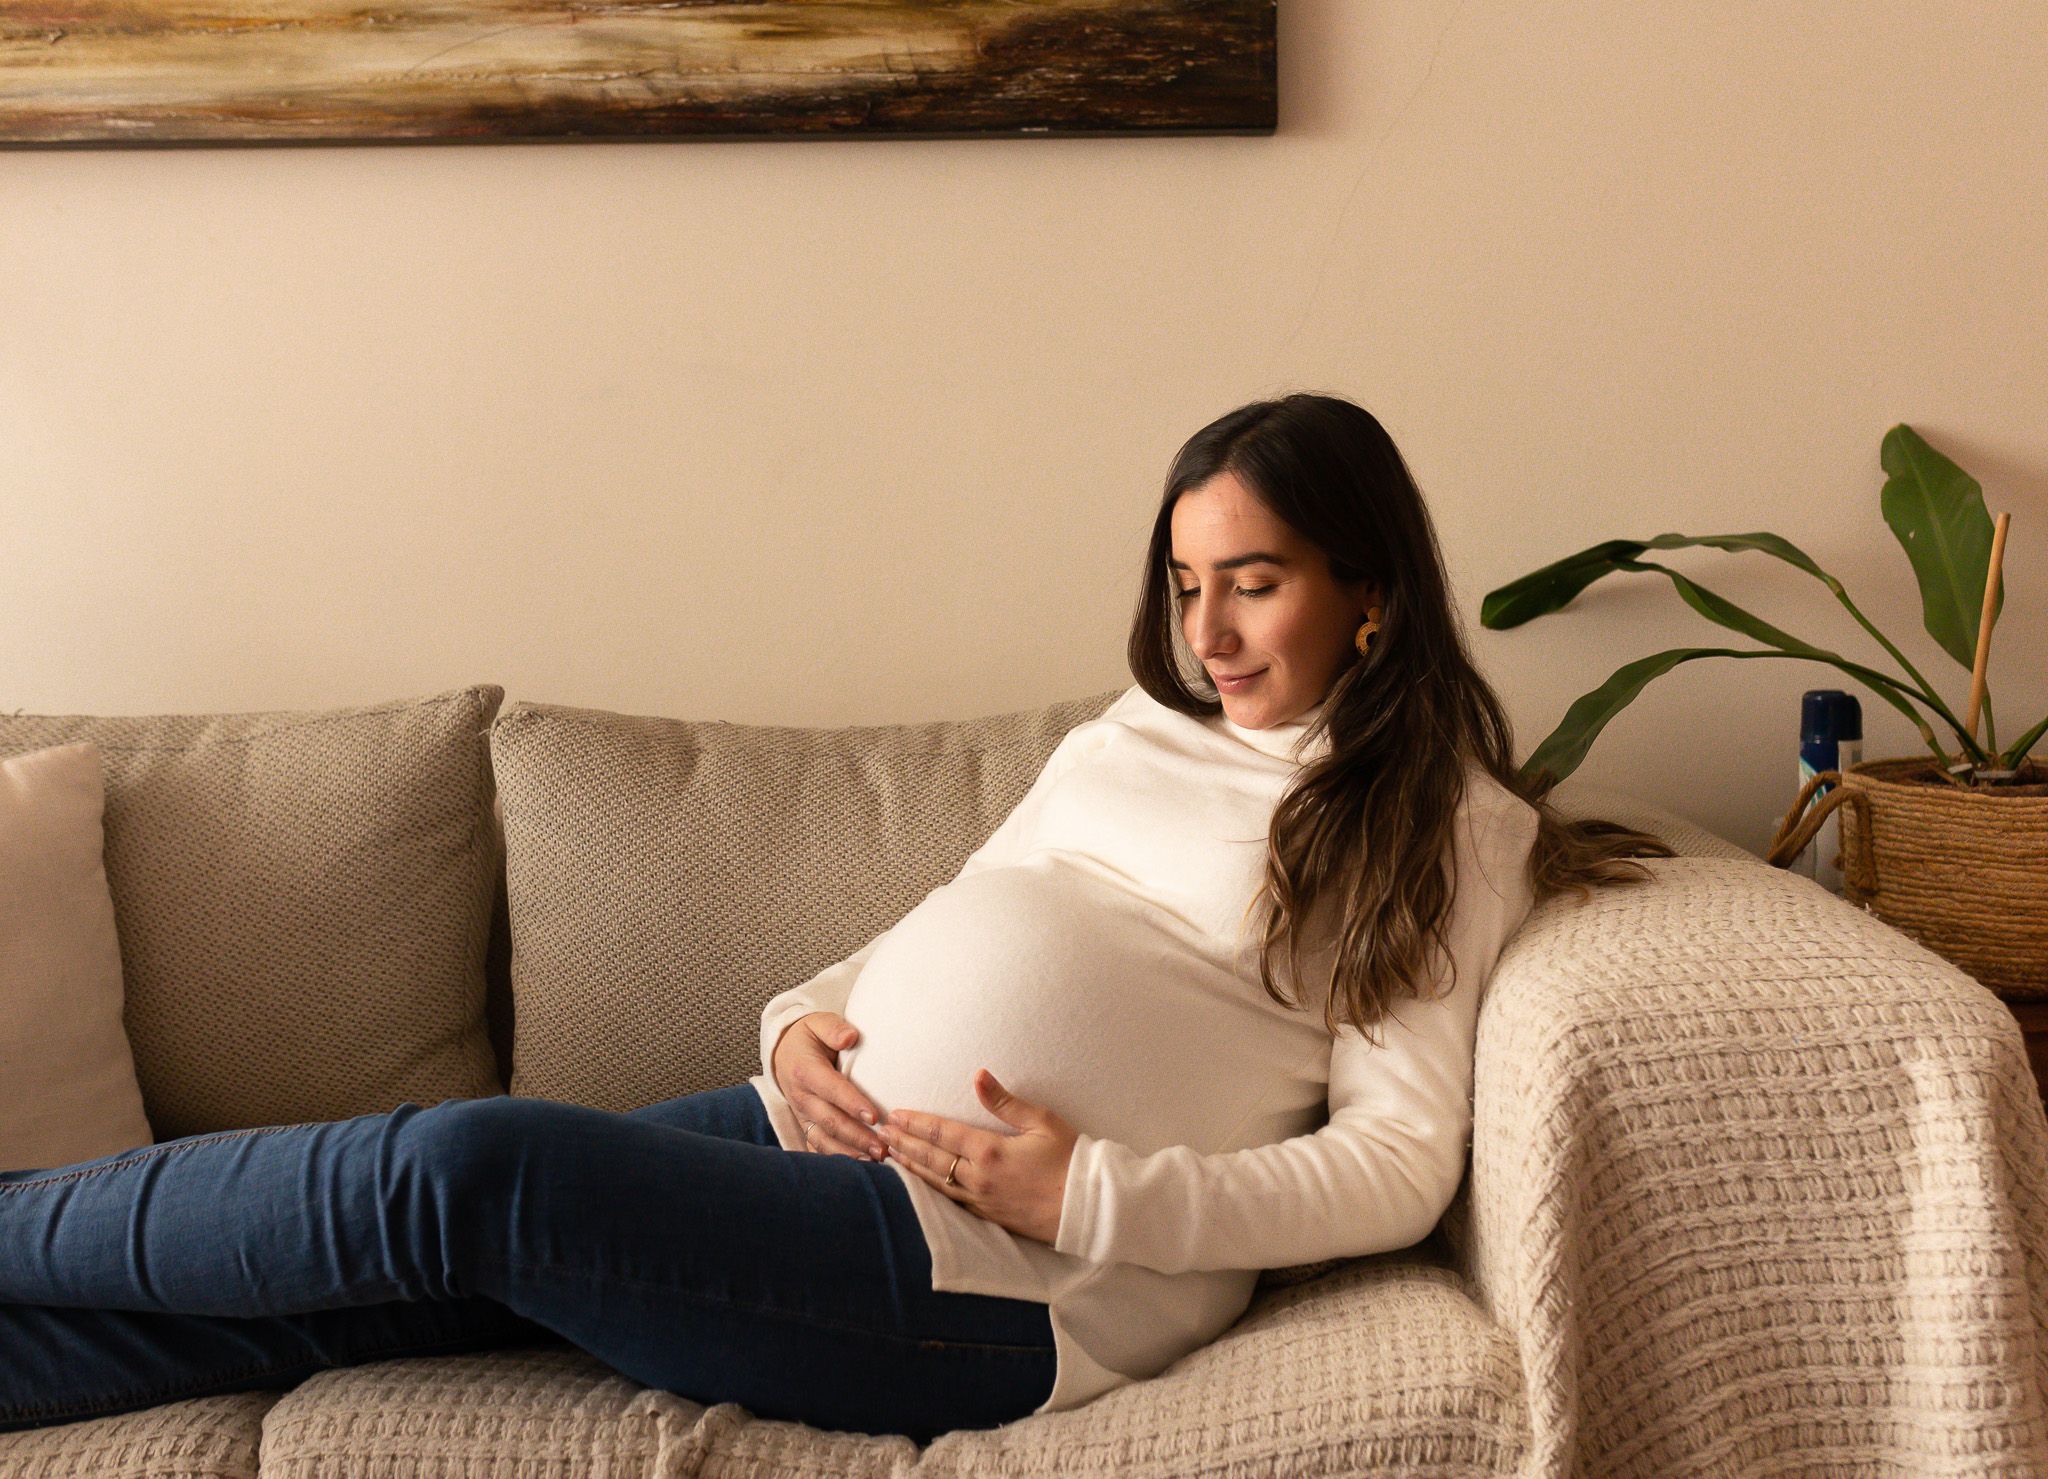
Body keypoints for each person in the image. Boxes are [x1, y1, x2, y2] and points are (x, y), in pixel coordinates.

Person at [0, 392, 1674, 1441]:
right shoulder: (1132, 734)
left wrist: (1090, 1190)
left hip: (1002, 1287)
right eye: (1186, 582)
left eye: (1256, 580)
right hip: (820, 1142)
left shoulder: (1439, 825)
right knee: (397, 1280)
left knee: (465, 1173)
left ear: (1371, 591)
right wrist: (793, 1024)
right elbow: (946, 919)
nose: (1211, 630)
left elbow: (1398, 1167)